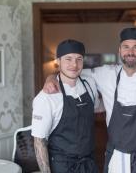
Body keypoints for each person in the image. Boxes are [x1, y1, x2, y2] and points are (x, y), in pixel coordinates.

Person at [43, 28, 136, 173]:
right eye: (126, 47)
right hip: (114, 153)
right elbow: (72, 71)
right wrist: (51, 77)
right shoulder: (104, 73)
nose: (131, 52)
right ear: (119, 50)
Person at [31, 39, 99, 173]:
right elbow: (39, 142)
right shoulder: (46, 97)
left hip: (88, 163)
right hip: (62, 166)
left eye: (79, 59)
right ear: (58, 61)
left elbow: (96, 107)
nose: (74, 64)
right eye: (68, 59)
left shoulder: (89, 84)